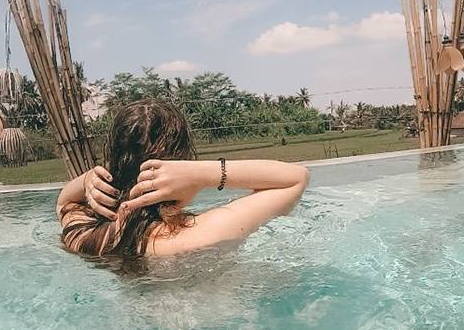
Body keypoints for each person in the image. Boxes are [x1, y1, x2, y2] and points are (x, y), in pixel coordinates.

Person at [55, 99, 310, 257]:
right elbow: (296, 178)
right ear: (183, 160)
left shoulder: (84, 233)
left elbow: (63, 202)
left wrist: (88, 178)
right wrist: (202, 174)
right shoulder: (198, 234)